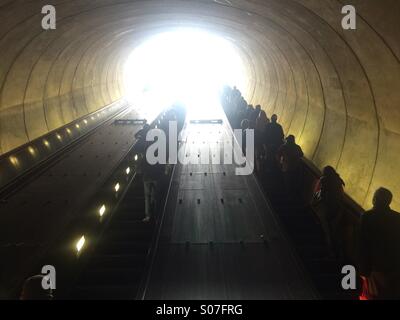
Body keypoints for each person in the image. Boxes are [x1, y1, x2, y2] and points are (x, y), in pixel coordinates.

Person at [358, 188, 400, 299]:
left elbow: (363, 244)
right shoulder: (397, 218)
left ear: (375, 199)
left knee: (370, 296)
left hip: (374, 269)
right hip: (393, 269)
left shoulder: (367, 216)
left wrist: (364, 270)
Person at [312, 166, 345, 256]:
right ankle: (336, 251)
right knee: (332, 230)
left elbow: (320, 195)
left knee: (325, 229)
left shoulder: (324, 180)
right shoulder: (339, 181)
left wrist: (313, 203)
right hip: (337, 209)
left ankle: (328, 248)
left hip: (326, 208)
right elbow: (341, 196)